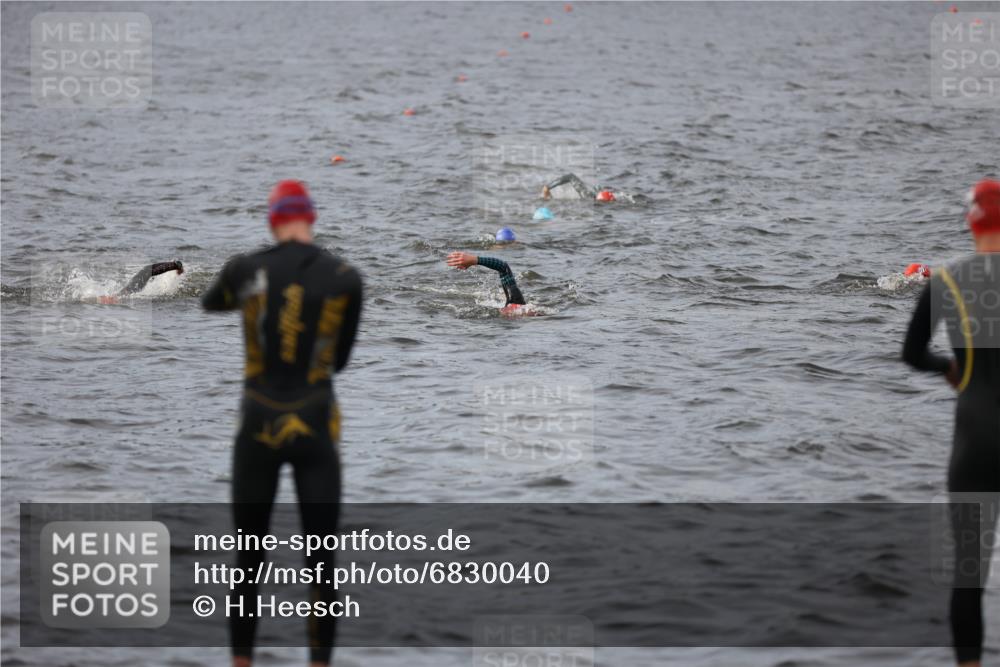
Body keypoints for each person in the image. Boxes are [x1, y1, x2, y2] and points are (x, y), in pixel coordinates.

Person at [201, 180, 363, 667]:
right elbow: (339, 360)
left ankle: (241, 663)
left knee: (248, 563)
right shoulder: (345, 276)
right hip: (315, 423)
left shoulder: (246, 269)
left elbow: (212, 302)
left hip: (256, 424)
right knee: (321, 566)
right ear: (310, 218)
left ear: (272, 220)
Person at [902, 178, 1000, 667]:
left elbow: (911, 352)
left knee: (968, 575)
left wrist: (948, 367)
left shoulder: (947, 280)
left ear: (970, 220)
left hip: (976, 438)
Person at [446, 251, 526, 315]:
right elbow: (503, 267)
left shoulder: (513, 308)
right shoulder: (517, 304)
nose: (505, 310)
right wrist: (474, 260)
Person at [96, 260, 184, 304]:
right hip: (133, 288)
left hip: (131, 288)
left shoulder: (119, 296)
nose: (105, 296)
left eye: (104, 297)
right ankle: (175, 265)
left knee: (146, 270)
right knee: (146, 272)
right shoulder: (123, 297)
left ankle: (174, 265)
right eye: (105, 298)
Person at [540, 173, 631, 203]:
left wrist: (548, 187)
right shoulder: (590, 195)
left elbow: (571, 176)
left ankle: (546, 188)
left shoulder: (587, 196)